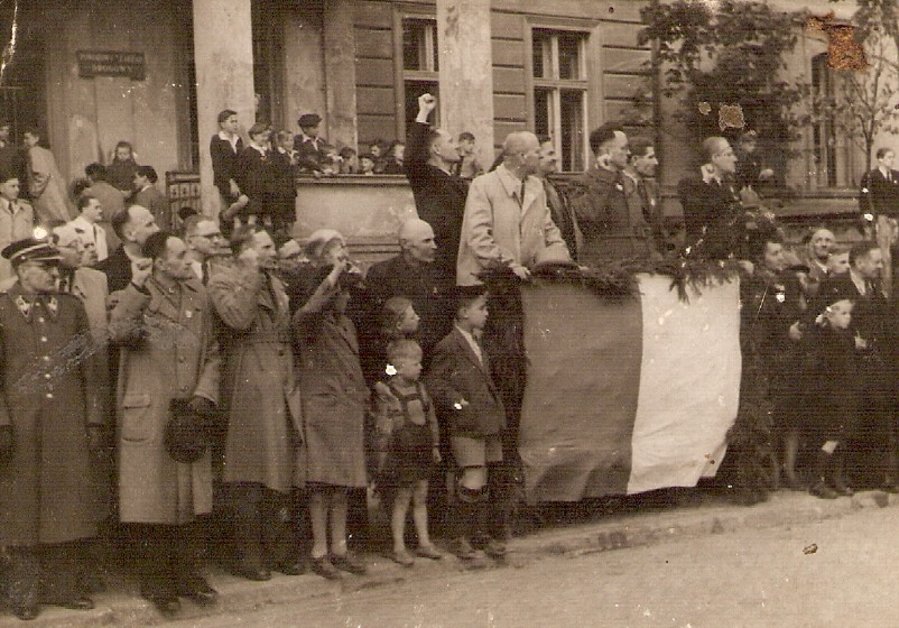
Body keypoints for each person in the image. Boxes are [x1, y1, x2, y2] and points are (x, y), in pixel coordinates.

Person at [108, 231, 221, 617]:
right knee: (152, 503)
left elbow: (212, 352)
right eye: (180, 254)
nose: (188, 259)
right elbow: (121, 333)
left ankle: (189, 576)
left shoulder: (198, 296)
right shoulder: (135, 295)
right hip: (150, 411)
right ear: (158, 261)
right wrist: (136, 287)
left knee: (189, 501)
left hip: (189, 412)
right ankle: (157, 583)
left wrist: (204, 396)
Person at [0, 238, 106, 620]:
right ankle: (23, 591)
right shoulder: (2, 309)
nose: (54, 274)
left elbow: (89, 371)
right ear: (22, 268)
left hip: (66, 423)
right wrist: (2, 423)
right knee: (21, 508)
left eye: (56, 267)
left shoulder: (71, 309)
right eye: (45, 268)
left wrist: (93, 418)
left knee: (67, 505)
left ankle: (64, 587)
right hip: (21, 427)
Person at [208, 226, 302, 581]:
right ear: (245, 251)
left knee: (278, 469)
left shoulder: (273, 281)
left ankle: (276, 549)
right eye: (265, 246)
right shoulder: (222, 280)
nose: (273, 251)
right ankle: (247, 555)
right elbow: (237, 319)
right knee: (247, 472)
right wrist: (249, 275)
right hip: (247, 378)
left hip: (277, 379)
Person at [293, 256, 369, 580]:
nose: (348, 298)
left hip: (347, 410)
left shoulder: (347, 324)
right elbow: (308, 312)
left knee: (342, 486)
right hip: (323, 412)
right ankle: (319, 550)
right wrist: (332, 274)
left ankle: (339, 549)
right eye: (342, 292)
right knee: (320, 486)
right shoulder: (311, 324)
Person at [426, 285, 507, 560]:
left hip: (486, 422)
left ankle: (478, 533)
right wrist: (460, 404)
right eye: (481, 308)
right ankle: (458, 536)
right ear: (463, 313)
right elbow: (436, 384)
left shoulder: (476, 342)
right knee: (471, 478)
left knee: (483, 480)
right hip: (466, 424)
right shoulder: (449, 345)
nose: (486, 313)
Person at [816, 241, 893, 491]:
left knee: (874, 416)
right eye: (877, 261)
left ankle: (873, 477)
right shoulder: (836, 285)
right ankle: (839, 478)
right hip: (843, 364)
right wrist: (851, 342)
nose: (881, 266)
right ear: (860, 262)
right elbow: (821, 322)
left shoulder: (873, 287)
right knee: (846, 422)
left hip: (871, 364)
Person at [456, 130, 569, 286]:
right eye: (537, 152)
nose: (540, 157)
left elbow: (549, 229)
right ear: (522, 157)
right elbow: (478, 238)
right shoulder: (483, 186)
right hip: (486, 284)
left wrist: (561, 257)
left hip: (526, 284)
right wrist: (510, 266)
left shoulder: (536, 187)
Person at [742, 235, 806, 489]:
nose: (780, 258)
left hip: (791, 357)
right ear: (761, 258)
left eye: (781, 252)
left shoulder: (790, 280)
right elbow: (758, 323)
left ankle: (789, 470)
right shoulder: (755, 283)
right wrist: (784, 332)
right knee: (772, 416)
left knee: (792, 416)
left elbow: (797, 310)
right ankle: (772, 472)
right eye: (774, 253)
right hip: (768, 358)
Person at [372, 338, 442, 566]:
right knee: (402, 499)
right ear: (400, 367)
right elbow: (383, 428)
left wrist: (435, 446)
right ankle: (398, 546)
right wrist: (383, 458)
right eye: (416, 364)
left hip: (422, 450)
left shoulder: (422, 390)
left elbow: (431, 420)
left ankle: (424, 542)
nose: (420, 367)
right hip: (402, 453)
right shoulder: (388, 393)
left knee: (421, 497)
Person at [365, 219, 452, 361]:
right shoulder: (382, 274)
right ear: (405, 244)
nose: (434, 246)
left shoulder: (439, 274)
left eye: (433, 240)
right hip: (400, 359)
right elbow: (375, 328)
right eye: (426, 241)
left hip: (436, 357)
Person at [568, 123, 652, 264]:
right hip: (605, 267)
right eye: (623, 148)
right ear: (606, 152)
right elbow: (588, 215)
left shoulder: (629, 182)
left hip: (637, 264)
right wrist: (604, 176)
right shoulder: (581, 182)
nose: (629, 153)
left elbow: (643, 225)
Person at [405, 93, 466, 286]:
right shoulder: (425, 176)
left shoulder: (455, 180)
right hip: (440, 262)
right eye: (450, 141)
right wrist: (424, 112)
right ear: (437, 150)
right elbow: (411, 157)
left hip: (461, 260)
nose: (456, 145)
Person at [806, 294, 858, 499]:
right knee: (831, 438)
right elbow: (824, 368)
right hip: (830, 395)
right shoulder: (826, 336)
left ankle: (836, 479)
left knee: (841, 437)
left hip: (845, 392)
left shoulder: (844, 335)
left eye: (849, 314)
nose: (848, 318)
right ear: (831, 315)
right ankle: (816, 481)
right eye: (843, 313)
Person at [677, 136, 743, 260]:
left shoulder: (729, 186)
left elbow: (737, 224)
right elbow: (696, 219)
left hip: (728, 256)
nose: (735, 159)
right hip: (704, 256)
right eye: (729, 154)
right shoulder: (691, 184)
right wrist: (706, 183)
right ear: (715, 158)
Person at [859, 147, 899, 296]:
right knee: (884, 256)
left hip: (896, 218)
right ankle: (885, 291)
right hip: (881, 218)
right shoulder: (870, 176)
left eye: (893, 157)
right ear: (880, 159)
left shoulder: (896, 176)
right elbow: (865, 199)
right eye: (889, 157)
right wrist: (869, 219)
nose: (892, 160)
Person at [96, 204, 160, 293]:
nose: (157, 229)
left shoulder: (166, 260)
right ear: (129, 235)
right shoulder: (105, 274)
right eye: (149, 225)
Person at [535, 136, 579, 260]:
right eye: (550, 154)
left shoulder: (555, 188)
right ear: (537, 157)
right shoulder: (527, 190)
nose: (556, 158)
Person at [23, 128, 74, 224]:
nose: (24, 141)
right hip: (55, 193)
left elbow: (43, 174)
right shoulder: (47, 152)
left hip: (45, 195)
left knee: (49, 225)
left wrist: (34, 191)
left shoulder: (34, 151)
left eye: (27, 138)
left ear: (36, 138)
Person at [624, 137, 663, 252]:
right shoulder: (618, 186)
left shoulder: (653, 187)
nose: (656, 162)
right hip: (628, 253)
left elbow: (657, 227)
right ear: (635, 159)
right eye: (650, 157)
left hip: (651, 255)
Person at [234, 123, 274, 227]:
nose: (265, 139)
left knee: (267, 216)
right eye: (262, 136)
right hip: (254, 190)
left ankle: (267, 237)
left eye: (266, 136)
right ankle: (249, 237)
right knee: (253, 216)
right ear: (254, 136)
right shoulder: (248, 153)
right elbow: (241, 173)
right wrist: (244, 190)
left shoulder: (267, 152)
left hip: (267, 189)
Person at [0, 170, 34, 282]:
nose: (17, 190)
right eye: (12, 186)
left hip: (21, 260)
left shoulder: (26, 208)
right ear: (1, 188)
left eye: (18, 186)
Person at [83, 163, 125, 251]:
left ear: (89, 177)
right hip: (116, 235)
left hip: (95, 234)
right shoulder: (117, 192)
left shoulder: (88, 193)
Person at [58, 193, 109, 262]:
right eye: (96, 208)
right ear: (84, 209)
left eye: (100, 208)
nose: (100, 211)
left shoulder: (101, 231)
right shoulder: (71, 227)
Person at [210, 109, 244, 208]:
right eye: (232, 121)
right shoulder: (217, 140)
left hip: (238, 180)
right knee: (235, 205)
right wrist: (231, 183)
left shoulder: (238, 139)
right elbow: (217, 165)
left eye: (236, 121)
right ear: (223, 124)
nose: (235, 124)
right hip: (224, 181)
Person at [734, 129, 775, 201]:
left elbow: (753, 173)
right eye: (750, 145)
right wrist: (744, 186)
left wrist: (762, 174)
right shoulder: (739, 157)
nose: (752, 147)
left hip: (751, 187)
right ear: (742, 144)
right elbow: (738, 174)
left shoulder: (751, 157)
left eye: (753, 145)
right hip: (740, 187)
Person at [185, 217, 228, 285]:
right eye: (208, 236)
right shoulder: (180, 273)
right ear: (190, 242)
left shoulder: (225, 273)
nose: (216, 241)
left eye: (218, 235)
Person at [270, 130, 298, 234]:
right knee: (279, 220)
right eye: (287, 140)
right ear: (280, 142)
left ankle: (289, 238)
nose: (290, 143)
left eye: (291, 140)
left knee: (290, 219)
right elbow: (276, 171)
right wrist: (289, 164)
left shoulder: (292, 154)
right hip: (279, 193)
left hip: (290, 192)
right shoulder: (275, 155)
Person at [133, 166, 171, 232]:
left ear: (144, 178)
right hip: (163, 231)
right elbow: (168, 216)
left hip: (151, 233)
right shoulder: (160, 194)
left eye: (136, 178)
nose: (134, 181)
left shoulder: (142, 195)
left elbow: (143, 219)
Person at [802, 227, 836, 298]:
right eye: (819, 241)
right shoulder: (806, 271)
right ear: (812, 245)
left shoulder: (840, 268)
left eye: (828, 240)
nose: (824, 244)